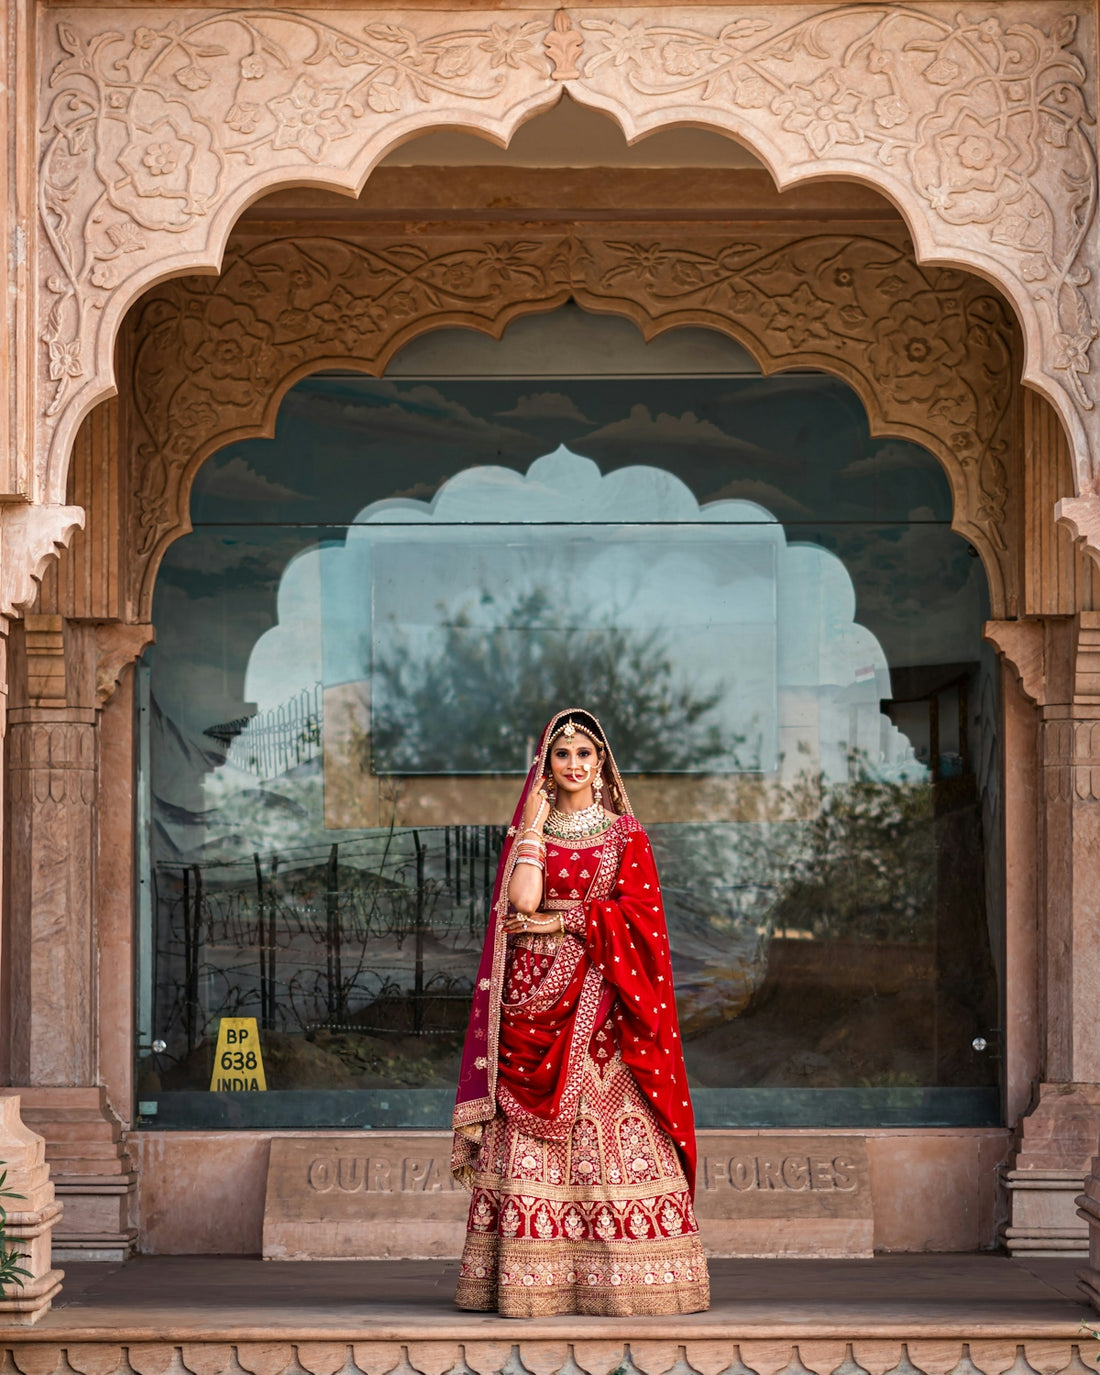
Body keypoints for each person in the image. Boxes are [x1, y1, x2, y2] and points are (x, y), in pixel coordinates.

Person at [451, 707, 710, 1317]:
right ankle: (529, 1278)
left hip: (602, 995)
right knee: (524, 1132)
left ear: (601, 765)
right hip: (530, 994)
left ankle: (626, 1279)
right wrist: (535, 826)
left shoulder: (625, 835)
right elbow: (521, 901)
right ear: (547, 767)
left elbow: (642, 921)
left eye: (584, 754)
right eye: (561, 755)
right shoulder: (531, 829)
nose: (572, 764)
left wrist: (564, 919)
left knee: (603, 1119)